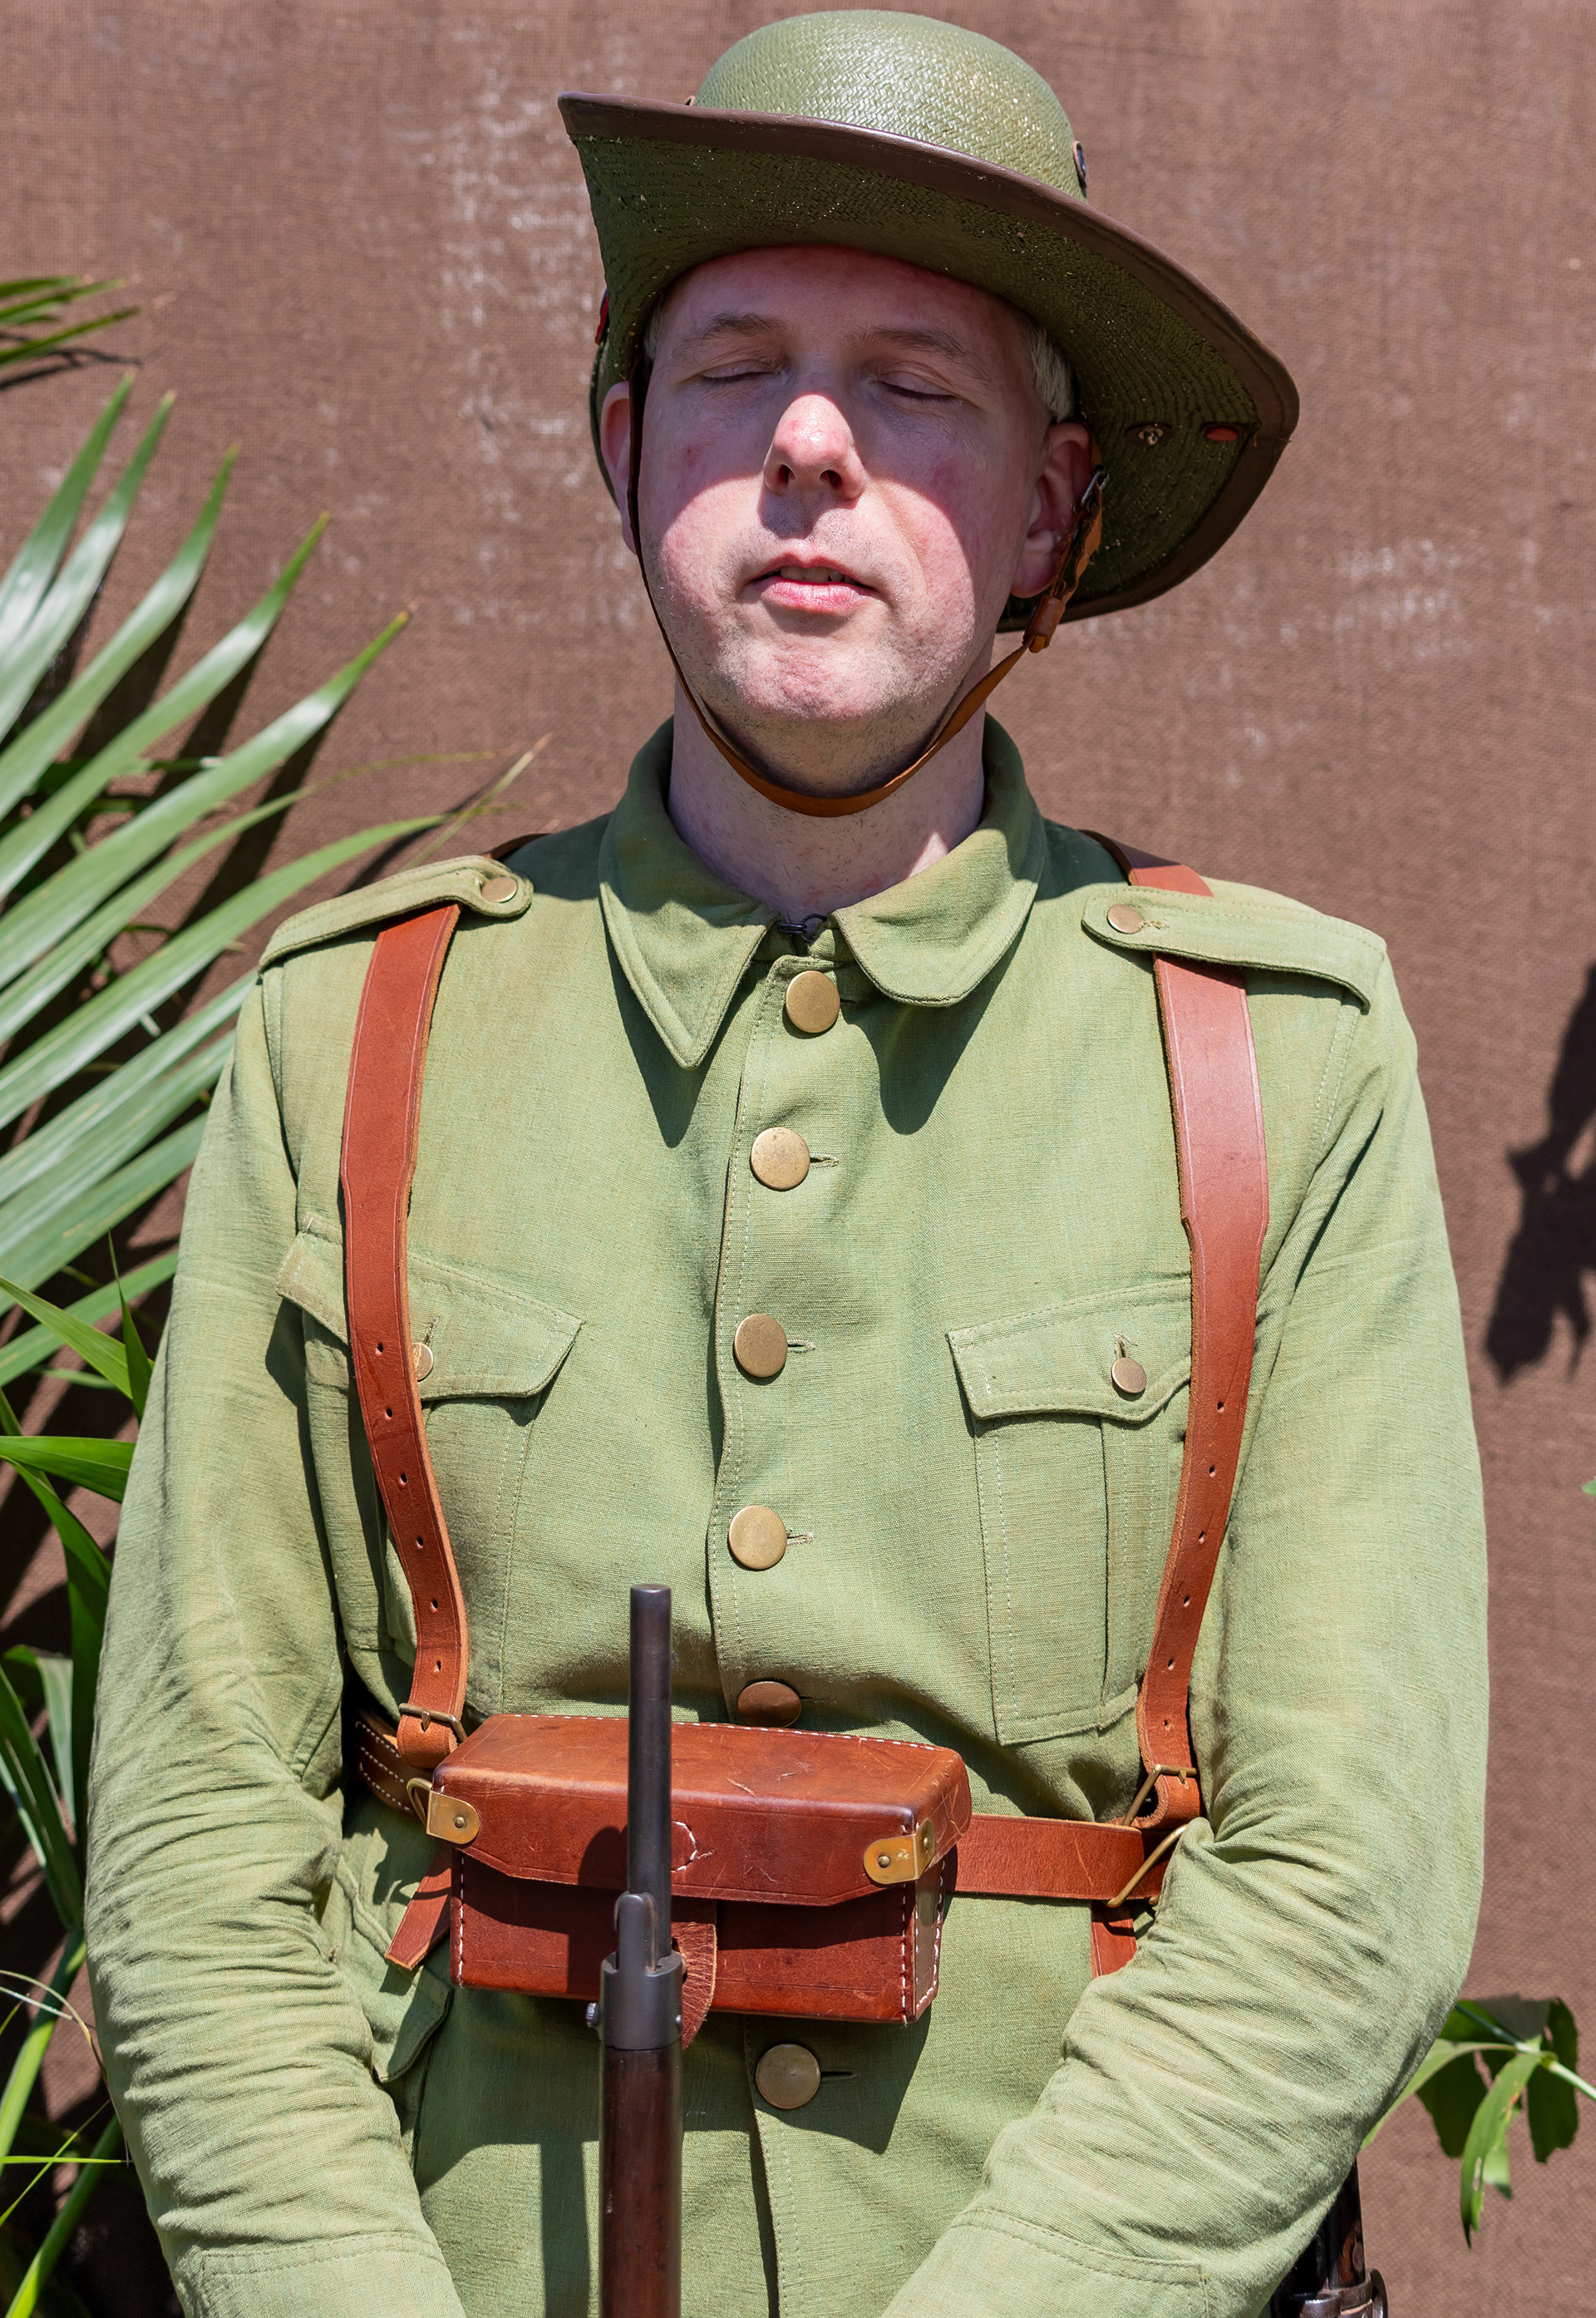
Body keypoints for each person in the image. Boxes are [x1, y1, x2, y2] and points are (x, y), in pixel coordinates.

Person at [86, 14, 1488, 2318]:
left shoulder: (1271, 1064)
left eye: (913, 385)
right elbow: (199, 1822)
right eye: (737, 369)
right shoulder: (355, 1036)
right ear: (625, 446)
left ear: (1049, 512)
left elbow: (1344, 1873)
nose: (812, 445)